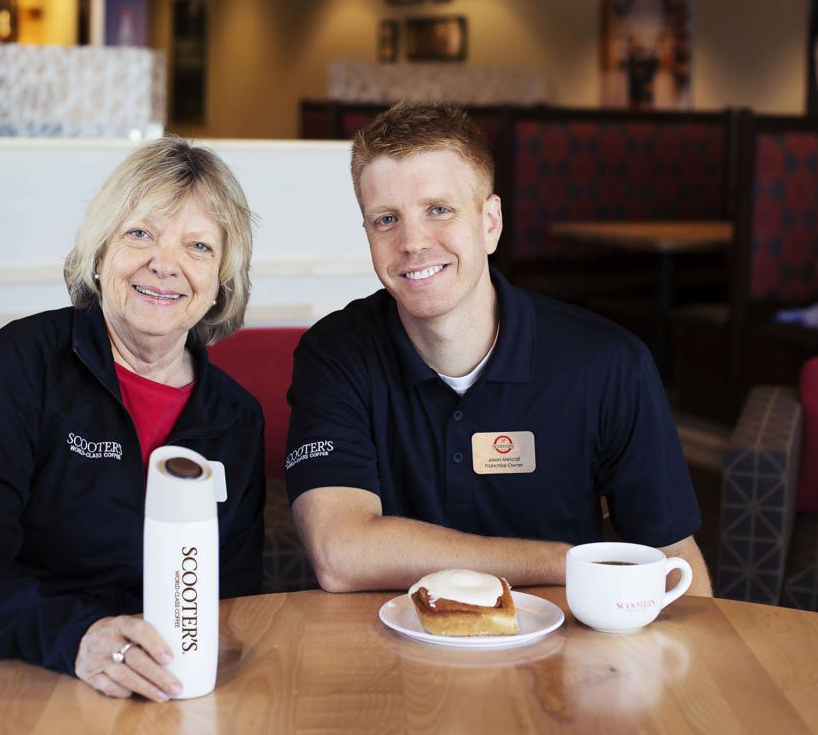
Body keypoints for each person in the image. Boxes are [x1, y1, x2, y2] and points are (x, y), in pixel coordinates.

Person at [0, 138, 265, 702]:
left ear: (220, 283)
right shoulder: (20, 364)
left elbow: (228, 598)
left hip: (142, 689)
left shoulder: (235, 418)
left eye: (198, 246)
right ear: (102, 250)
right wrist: (79, 638)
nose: (165, 263)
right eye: (140, 233)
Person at [284, 102, 711, 595]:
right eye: (386, 220)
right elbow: (341, 555)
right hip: (387, 655)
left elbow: (676, 561)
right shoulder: (335, 353)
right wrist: (571, 563)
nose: (412, 242)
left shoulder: (610, 363)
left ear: (490, 222)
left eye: (438, 210)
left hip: (562, 659)